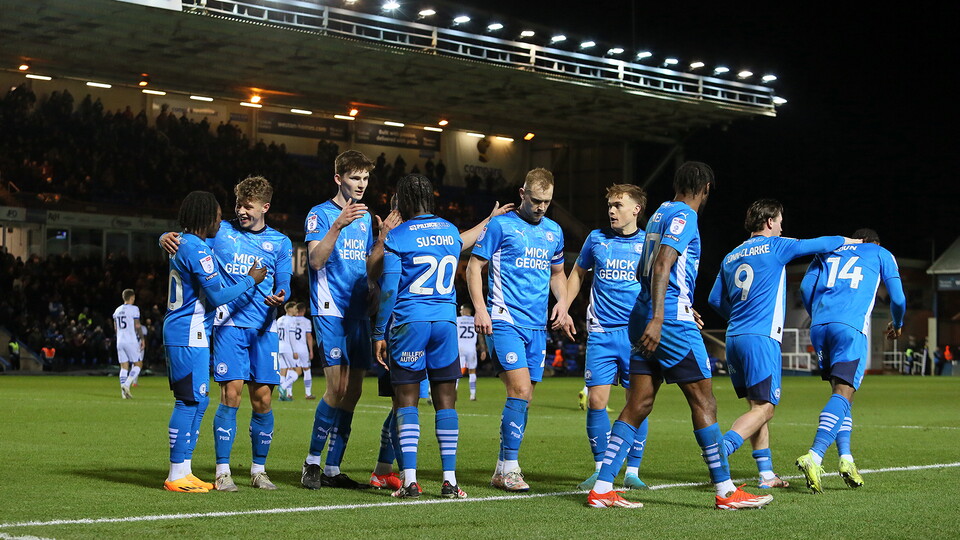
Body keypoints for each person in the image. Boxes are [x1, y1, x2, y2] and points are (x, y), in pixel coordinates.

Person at [587, 161, 772, 510]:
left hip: (643, 312)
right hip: (667, 318)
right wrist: (662, 316)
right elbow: (662, 265)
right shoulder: (685, 216)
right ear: (704, 187)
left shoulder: (659, 212)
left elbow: (656, 267)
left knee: (638, 404)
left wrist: (659, 311)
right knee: (704, 400)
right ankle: (726, 491)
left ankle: (601, 487)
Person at [707, 199, 857, 489]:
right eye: (779, 220)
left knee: (757, 406)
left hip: (734, 337)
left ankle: (766, 475)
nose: (781, 225)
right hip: (761, 338)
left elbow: (715, 299)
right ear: (768, 222)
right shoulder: (775, 246)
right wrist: (853, 241)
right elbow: (821, 244)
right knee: (766, 409)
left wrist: (738, 317)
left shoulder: (730, 256)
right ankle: (721, 449)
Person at [161, 176, 292, 491]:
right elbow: (184, 242)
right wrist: (164, 236)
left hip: (264, 328)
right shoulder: (221, 233)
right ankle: (222, 471)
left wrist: (282, 294)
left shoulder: (281, 242)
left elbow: (284, 279)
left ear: (265, 207)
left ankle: (258, 470)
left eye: (248, 206)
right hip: (227, 326)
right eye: (238, 205)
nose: (241, 212)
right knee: (229, 395)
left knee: (262, 399)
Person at [467, 167, 571, 492]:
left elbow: (557, 274)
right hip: (504, 319)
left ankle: (502, 468)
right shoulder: (500, 225)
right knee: (520, 391)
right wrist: (481, 309)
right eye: (536, 200)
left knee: (524, 400)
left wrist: (563, 304)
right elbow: (473, 267)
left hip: (537, 326)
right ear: (522, 194)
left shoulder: (554, 231)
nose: (541, 208)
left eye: (547, 202)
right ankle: (511, 467)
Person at [795, 228, 906, 493]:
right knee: (844, 392)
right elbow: (898, 298)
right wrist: (898, 323)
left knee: (842, 394)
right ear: (875, 242)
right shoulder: (881, 253)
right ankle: (815, 454)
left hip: (820, 327)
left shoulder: (828, 251)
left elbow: (804, 287)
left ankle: (846, 459)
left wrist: (820, 315)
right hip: (850, 328)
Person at [563, 184, 651, 492]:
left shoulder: (649, 244)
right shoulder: (596, 239)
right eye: (610, 205)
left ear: (636, 210)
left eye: (618, 205)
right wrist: (564, 304)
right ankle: (600, 468)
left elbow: (665, 280)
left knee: (637, 402)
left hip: (636, 335)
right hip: (601, 332)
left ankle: (632, 470)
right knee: (597, 401)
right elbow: (577, 273)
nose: (611, 210)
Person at [301, 150, 378, 490]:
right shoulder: (319, 214)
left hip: (358, 311)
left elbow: (368, 264)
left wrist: (383, 242)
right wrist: (337, 224)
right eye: (354, 178)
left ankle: (333, 468)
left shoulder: (366, 217)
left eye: (364, 178)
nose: (361, 185)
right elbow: (315, 261)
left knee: (354, 391)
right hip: (330, 308)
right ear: (338, 179)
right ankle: (312, 463)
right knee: (337, 387)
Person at [113, 288, 143, 399]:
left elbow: (115, 328)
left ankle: (123, 394)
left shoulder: (117, 310)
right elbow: (137, 325)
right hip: (131, 340)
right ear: (131, 298)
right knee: (138, 364)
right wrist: (142, 339)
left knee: (124, 367)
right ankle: (126, 385)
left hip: (120, 341)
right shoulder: (134, 309)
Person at [456, 304, 482, 401]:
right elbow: (479, 335)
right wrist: (483, 349)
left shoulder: (457, 320)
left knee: (457, 371)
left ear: (466, 310)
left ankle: (454, 389)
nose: (460, 312)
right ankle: (472, 395)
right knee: (472, 371)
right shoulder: (475, 320)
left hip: (460, 348)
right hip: (471, 348)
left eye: (461, 310)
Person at [276, 302, 298, 401]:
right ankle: (283, 387)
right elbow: (292, 337)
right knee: (297, 371)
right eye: (294, 308)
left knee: (283, 371)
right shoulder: (292, 321)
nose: (296, 310)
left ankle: (284, 396)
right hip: (288, 347)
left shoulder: (279, 319)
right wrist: (295, 350)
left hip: (279, 347)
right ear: (289, 309)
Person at [295, 303, 316, 398]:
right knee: (306, 370)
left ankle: (288, 393)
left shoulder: (290, 320)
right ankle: (308, 393)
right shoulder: (306, 321)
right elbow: (309, 336)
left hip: (292, 348)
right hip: (302, 348)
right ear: (303, 310)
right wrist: (311, 350)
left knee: (291, 369)